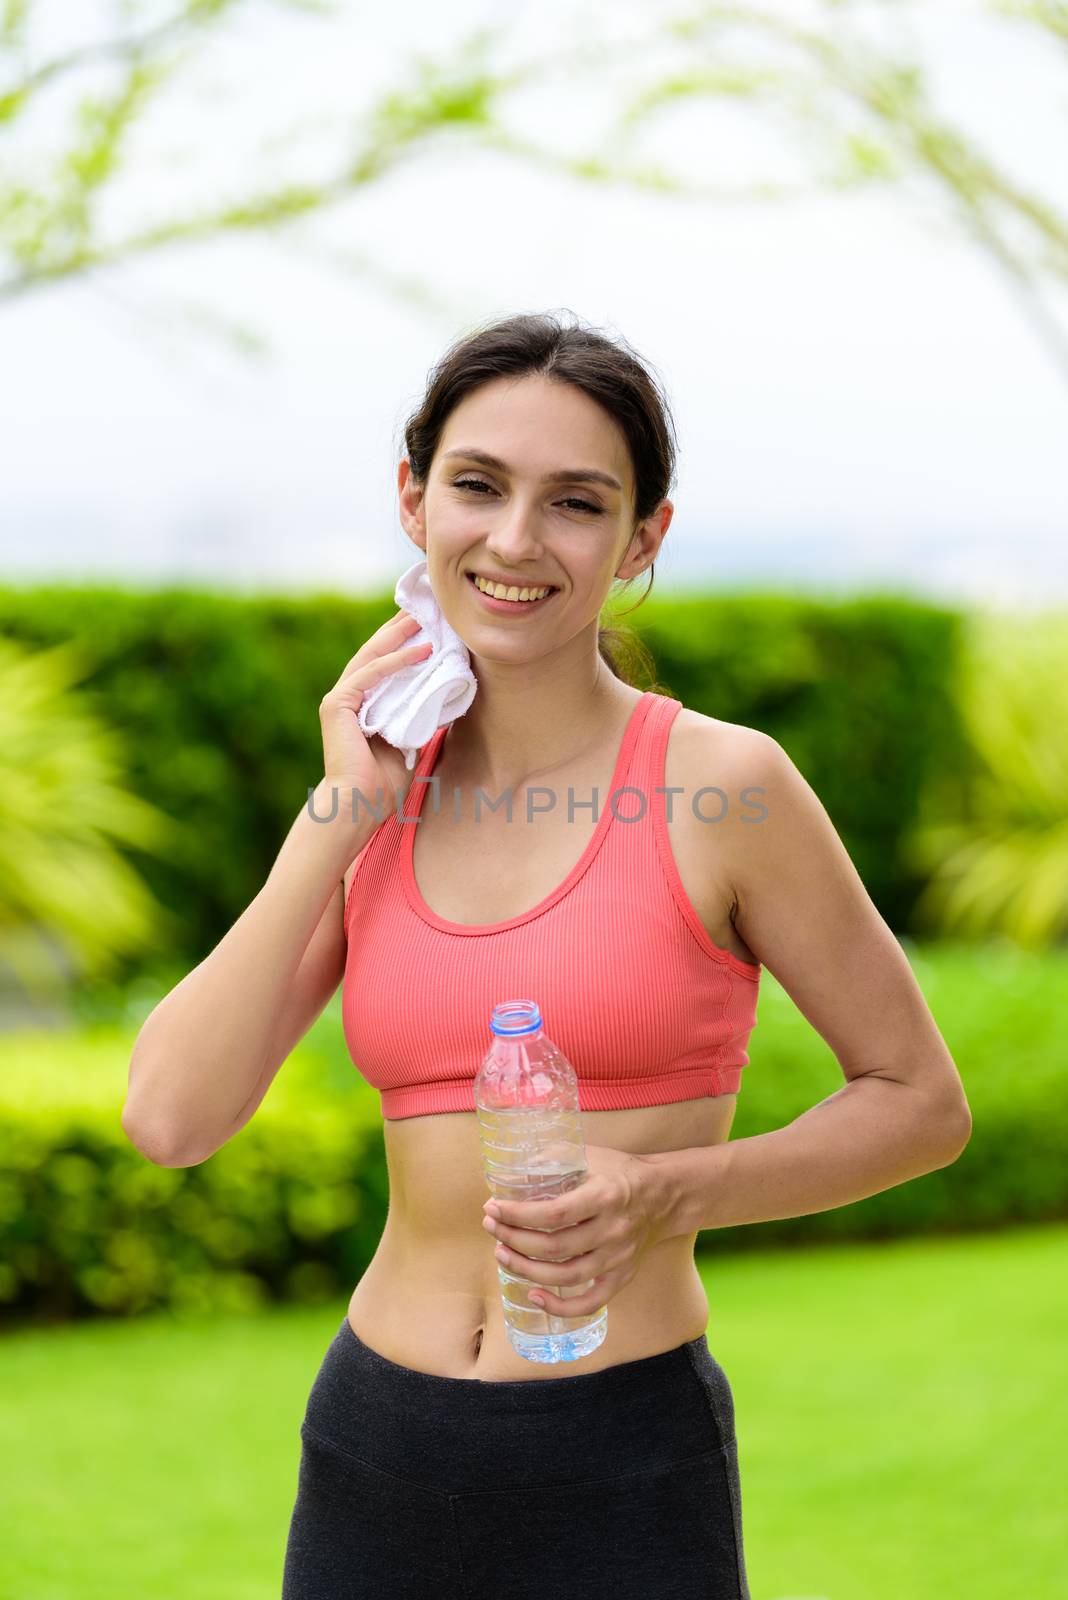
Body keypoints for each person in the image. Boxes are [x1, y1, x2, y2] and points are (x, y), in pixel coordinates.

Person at [123, 310, 973, 1600]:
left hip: (622, 1460)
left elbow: (921, 1105)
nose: (515, 541)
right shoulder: (372, 802)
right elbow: (171, 1116)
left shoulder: (725, 786)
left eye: (575, 503)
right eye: (477, 486)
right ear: (415, 504)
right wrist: (332, 821)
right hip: (376, 1448)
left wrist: (666, 1194)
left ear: (642, 540)